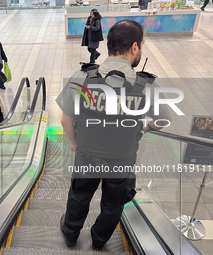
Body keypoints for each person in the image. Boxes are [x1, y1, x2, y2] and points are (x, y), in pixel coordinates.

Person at [56, 20, 172, 250]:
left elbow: (65, 119)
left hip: (87, 154)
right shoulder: (146, 85)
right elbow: (163, 120)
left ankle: (70, 234)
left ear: (109, 45)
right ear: (135, 47)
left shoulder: (83, 77)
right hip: (122, 158)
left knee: (79, 195)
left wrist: (74, 144)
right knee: (113, 204)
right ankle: (99, 240)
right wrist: (144, 128)